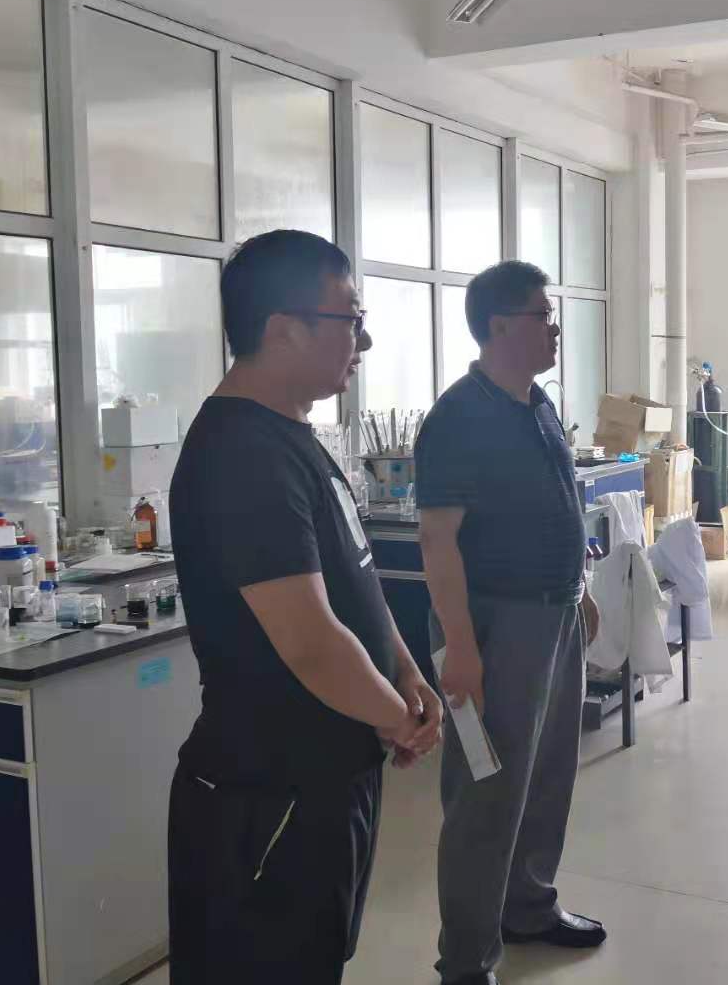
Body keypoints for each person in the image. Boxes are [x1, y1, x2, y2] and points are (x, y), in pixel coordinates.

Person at [167, 230, 443, 984]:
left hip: (323, 779)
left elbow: (353, 582)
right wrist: (398, 718)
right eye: (350, 318)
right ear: (284, 329)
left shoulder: (295, 438)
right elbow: (310, 640)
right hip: (267, 795)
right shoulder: (242, 454)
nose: (365, 340)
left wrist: (404, 674)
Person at [416, 259, 605, 985]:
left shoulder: (538, 404)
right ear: (500, 326)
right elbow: (438, 542)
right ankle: (465, 962)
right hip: (495, 629)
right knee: (486, 795)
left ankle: (528, 905)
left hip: (555, 615)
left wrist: (579, 588)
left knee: (548, 775)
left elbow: (559, 501)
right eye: (542, 316)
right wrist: (462, 648)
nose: (554, 329)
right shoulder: (459, 417)